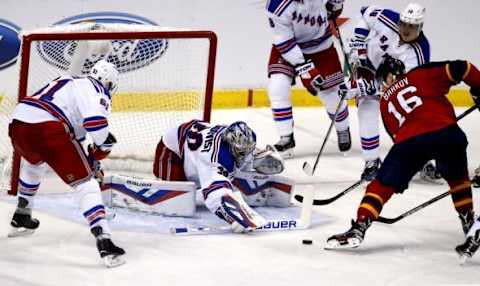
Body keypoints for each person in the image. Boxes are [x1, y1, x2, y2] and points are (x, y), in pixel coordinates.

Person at [325, 56, 480, 252]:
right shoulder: (420, 75)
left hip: (410, 143)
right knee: (458, 179)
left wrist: (419, 157)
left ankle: (359, 226)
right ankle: (469, 221)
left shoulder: (384, 104)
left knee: (381, 185)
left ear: (388, 78)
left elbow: (398, 138)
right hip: (449, 134)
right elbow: (463, 67)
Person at [7, 60, 125, 267]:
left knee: (34, 165)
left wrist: (90, 160)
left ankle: (22, 214)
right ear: (108, 83)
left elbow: (75, 137)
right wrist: (103, 150)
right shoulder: (97, 89)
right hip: (48, 128)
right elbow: (96, 126)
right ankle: (104, 240)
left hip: (18, 125)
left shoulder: (67, 80)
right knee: (86, 184)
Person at [344, 3, 432, 181]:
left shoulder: (420, 52)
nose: (406, 30)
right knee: (367, 110)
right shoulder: (388, 18)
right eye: (404, 24)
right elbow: (364, 12)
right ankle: (371, 163)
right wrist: (359, 40)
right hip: (365, 65)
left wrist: (376, 87)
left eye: (412, 26)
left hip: (394, 83)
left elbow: (407, 83)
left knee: (407, 118)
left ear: (420, 27)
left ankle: (421, 159)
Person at [152, 120, 290, 232]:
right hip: (172, 150)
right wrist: (234, 217)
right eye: (240, 152)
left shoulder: (236, 138)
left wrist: (259, 157)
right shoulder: (213, 158)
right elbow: (213, 195)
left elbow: (247, 150)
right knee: (179, 198)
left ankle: (231, 181)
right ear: (229, 146)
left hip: (193, 137)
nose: (245, 156)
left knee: (232, 168)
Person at [266, 0, 351, 158]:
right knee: (277, 86)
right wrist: (306, 69)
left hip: (321, 48)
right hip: (289, 48)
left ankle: (342, 127)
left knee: (332, 97)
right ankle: (286, 138)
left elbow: (333, 9)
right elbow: (284, 42)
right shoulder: (276, 5)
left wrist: (335, 4)